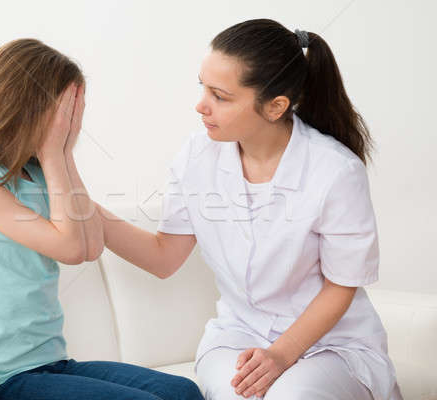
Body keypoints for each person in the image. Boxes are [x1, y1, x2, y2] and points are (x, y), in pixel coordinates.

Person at [95, 19, 404, 400]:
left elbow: (341, 284)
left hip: (330, 344)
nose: (201, 105)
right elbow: (165, 257)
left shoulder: (335, 170)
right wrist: (83, 208)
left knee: (291, 396)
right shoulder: (196, 155)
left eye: (220, 96)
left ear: (275, 107)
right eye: (202, 87)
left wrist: (281, 354)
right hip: (238, 336)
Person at [0, 38, 204, 400]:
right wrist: (55, 154)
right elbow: (70, 249)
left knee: (182, 391)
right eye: (64, 113)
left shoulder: (38, 176)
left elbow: (90, 245)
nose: (71, 123)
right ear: (23, 106)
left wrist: (65, 155)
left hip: (53, 363)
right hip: (7, 377)